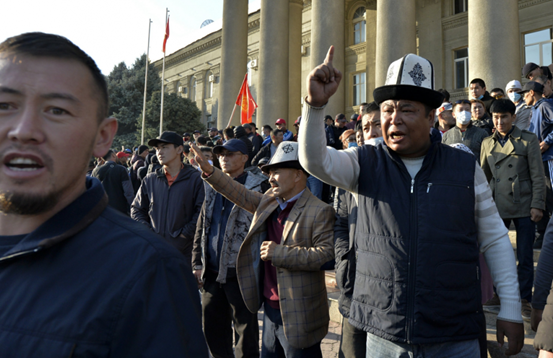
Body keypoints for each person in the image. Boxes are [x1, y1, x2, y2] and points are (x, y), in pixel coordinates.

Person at [299, 47, 524, 357]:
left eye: (407, 109)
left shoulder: (462, 166)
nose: (394, 119)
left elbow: (495, 239)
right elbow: (315, 161)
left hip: (455, 333)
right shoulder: (365, 162)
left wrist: (510, 308)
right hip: (385, 335)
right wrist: (315, 104)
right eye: (388, 109)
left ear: (431, 116)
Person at [0, 31, 207, 357]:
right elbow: (138, 204)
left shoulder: (150, 274)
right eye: (4, 105)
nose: (23, 129)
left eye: (56, 110)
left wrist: (177, 239)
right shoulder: (151, 179)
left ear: (102, 137)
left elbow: (199, 212)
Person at [191, 141, 335, 357]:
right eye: (269, 172)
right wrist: (211, 171)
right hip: (269, 309)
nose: (270, 178)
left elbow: (327, 255)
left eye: (276, 172)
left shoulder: (320, 210)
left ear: (297, 175)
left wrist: (280, 253)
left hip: (299, 314)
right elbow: (238, 193)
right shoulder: (270, 200)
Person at [192, 139, 266, 358]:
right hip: (212, 272)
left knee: (245, 333)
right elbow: (202, 224)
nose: (224, 157)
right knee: (212, 330)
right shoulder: (210, 184)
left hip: (241, 272)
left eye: (230, 153)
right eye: (221, 153)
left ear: (244, 157)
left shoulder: (258, 185)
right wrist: (197, 261)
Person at [480, 99, 546, 320]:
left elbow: (538, 176)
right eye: (496, 117)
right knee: (496, 254)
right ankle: (497, 294)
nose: (500, 121)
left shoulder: (528, 141)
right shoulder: (487, 143)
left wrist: (538, 204)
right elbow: (483, 177)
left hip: (525, 205)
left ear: (513, 117)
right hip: (497, 206)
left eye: (504, 117)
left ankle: (525, 298)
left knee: (525, 256)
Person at [131, 131, 205, 266]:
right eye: (157, 148)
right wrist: (149, 234)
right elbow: (136, 210)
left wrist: (183, 236)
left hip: (184, 253)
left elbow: (201, 212)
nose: (159, 152)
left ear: (179, 149)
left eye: (164, 147)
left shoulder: (195, 179)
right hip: (154, 252)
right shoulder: (150, 179)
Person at [524, 81, 553, 249]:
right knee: (541, 195)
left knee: (550, 196)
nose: (523, 97)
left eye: (524, 93)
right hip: (537, 160)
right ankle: (543, 235)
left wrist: (548, 141)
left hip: (548, 158)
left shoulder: (544, 106)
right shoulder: (534, 110)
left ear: (532, 92)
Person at [92, 149, 135, 214]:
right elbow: (128, 191)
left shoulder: (95, 171)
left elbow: (93, 191)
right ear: (113, 155)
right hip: (119, 209)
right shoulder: (121, 169)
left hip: (102, 209)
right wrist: (132, 206)